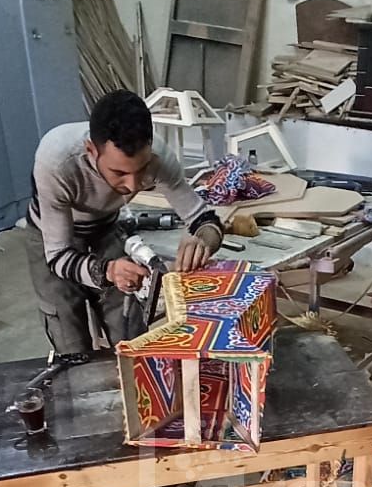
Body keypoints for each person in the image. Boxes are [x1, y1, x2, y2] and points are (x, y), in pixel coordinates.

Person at [24, 89, 223, 355]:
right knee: (69, 338)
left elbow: (206, 220)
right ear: (91, 150)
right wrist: (106, 271)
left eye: (141, 170)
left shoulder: (159, 158)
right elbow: (59, 256)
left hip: (105, 227)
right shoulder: (56, 161)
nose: (132, 185)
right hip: (51, 237)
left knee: (130, 331)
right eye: (118, 172)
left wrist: (203, 241)